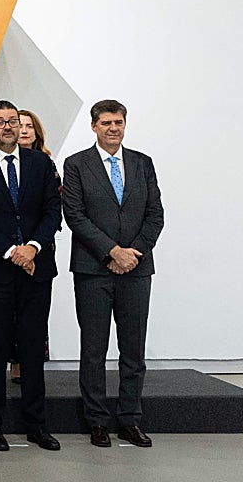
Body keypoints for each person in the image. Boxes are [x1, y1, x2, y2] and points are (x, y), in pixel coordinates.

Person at [0, 101, 62, 452]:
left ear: (21, 126)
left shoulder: (40, 163)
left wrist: (32, 247)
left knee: (33, 348)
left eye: (12, 121)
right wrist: (11, 252)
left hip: (37, 268)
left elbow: (52, 210)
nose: (7, 127)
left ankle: (37, 424)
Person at [62, 100, 164, 449]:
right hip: (94, 270)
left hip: (136, 269)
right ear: (93, 126)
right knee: (93, 349)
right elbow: (75, 216)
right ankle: (97, 421)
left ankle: (130, 420)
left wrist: (132, 253)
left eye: (118, 122)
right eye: (106, 122)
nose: (113, 128)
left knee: (133, 350)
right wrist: (112, 252)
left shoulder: (142, 163)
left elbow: (155, 214)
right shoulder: (76, 165)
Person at [11, 108, 55, 384]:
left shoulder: (46, 165)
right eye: (20, 125)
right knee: (10, 314)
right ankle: (14, 362)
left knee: (35, 315)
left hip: (40, 248)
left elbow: (53, 210)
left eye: (30, 126)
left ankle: (33, 363)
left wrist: (33, 247)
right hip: (7, 252)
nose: (24, 130)